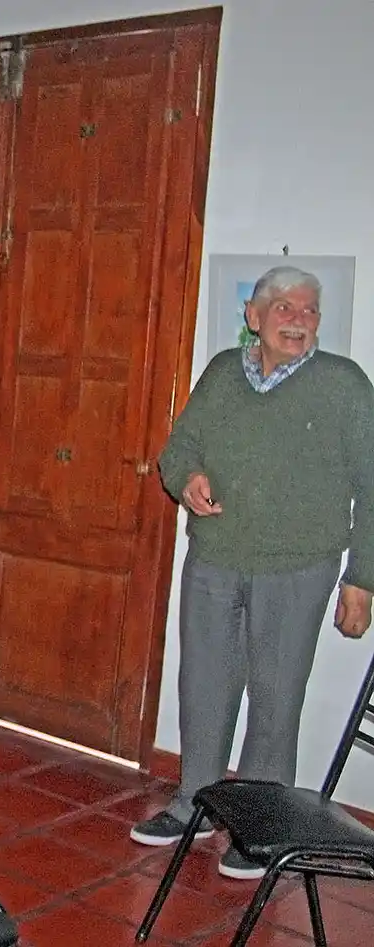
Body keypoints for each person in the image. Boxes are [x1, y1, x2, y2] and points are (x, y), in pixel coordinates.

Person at [129, 265, 374, 880]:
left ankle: (262, 828)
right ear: (254, 317)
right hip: (215, 555)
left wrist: (362, 577)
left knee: (275, 694)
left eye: (310, 310)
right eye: (285, 307)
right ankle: (197, 804)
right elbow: (177, 448)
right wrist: (186, 480)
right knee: (204, 686)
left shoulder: (343, 385)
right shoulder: (220, 373)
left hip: (299, 567)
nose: (299, 319)